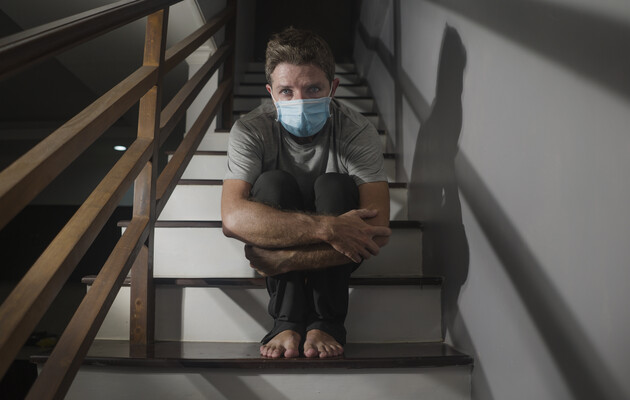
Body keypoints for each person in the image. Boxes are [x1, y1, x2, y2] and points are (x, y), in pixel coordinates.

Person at [221, 27, 391, 359]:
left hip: (314, 237)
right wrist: (328, 229)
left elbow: (377, 230)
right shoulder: (251, 130)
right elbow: (233, 219)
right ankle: (286, 321)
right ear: (271, 93)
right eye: (286, 91)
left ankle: (326, 322)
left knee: (334, 184)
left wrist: (286, 259)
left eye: (313, 89)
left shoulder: (356, 131)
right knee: (273, 183)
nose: (299, 101)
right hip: (325, 234)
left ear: (333, 88)